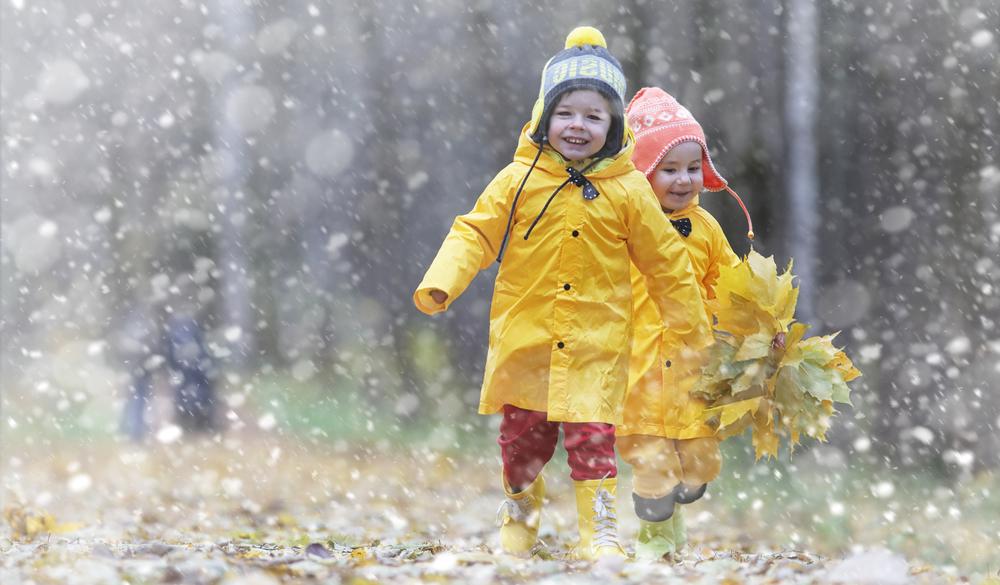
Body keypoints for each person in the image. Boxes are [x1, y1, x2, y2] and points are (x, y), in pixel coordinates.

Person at [412, 29, 710, 559]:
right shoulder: (518, 179)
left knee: (592, 439)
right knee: (523, 442)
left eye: (594, 117)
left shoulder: (629, 191)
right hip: (528, 337)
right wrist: (444, 280)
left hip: (597, 340)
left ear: (613, 126)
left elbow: (665, 261)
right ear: (544, 117)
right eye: (567, 113)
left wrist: (690, 327)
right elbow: (475, 231)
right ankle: (521, 511)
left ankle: (600, 533)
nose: (578, 126)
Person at [617, 87, 758, 560]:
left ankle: (684, 497)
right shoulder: (625, 226)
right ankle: (656, 543)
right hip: (639, 368)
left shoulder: (707, 230)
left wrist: (748, 325)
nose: (682, 180)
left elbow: (729, 285)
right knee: (652, 462)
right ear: (641, 174)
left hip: (695, 367)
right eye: (668, 170)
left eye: (692, 168)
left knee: (699, 460)